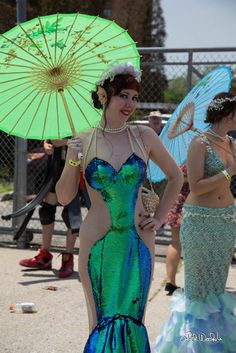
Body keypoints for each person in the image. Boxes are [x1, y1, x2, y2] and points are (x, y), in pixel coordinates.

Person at [56, 62, 183, 353]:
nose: (130, 103)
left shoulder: (143, 137)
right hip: (96, 243)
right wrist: (73, 157)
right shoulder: (83, 140)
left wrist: (161, 218)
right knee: (98, 322)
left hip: (138, 243)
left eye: (134, 97)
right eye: (123, 95)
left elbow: (176, 177)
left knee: (133, 320)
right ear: (104, 95)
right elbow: (64, 197)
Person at [154, 92, 236, 353]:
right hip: (200, 221)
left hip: (226, 220)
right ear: (227, 115)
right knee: (199, 291)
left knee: (216, 289)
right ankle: (193, 346)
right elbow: (197, 187)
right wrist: (228, 171)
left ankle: (215, 343)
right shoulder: (200, 143)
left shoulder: (230, 143)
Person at [19, 139, 88, 278]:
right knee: (46, 211)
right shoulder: (56, 118)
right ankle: (45, 255)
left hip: (73, 168)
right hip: (55, 167)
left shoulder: (81, 120)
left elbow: (86, 142)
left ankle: (68, 257)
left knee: (71, 213)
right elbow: (50, 137)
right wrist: (47, 143)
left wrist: (66, 142)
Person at [164, 164, 190, 295]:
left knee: (175, 241)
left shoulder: (175, 155)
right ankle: (195, 285)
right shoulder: (199, 150)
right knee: (194, 245)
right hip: (192, 201)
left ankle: (171, 281)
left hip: (176, 198)